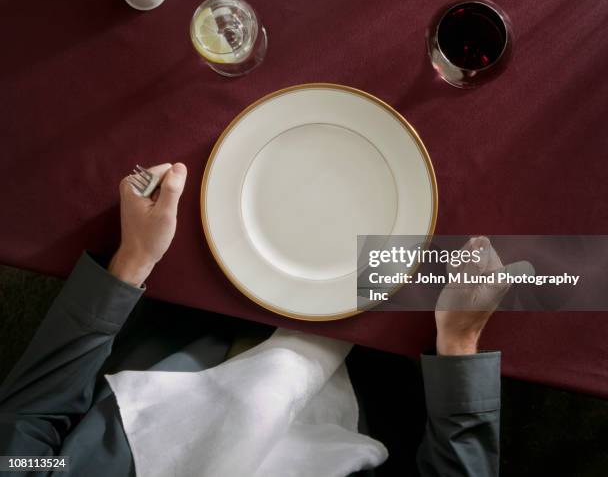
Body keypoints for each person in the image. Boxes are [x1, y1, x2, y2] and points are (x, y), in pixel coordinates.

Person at [0, 163, 501, 476]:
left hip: (179, 323)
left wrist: (131, 260)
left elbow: (28, 429)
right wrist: (460, 342)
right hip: (376, 367)